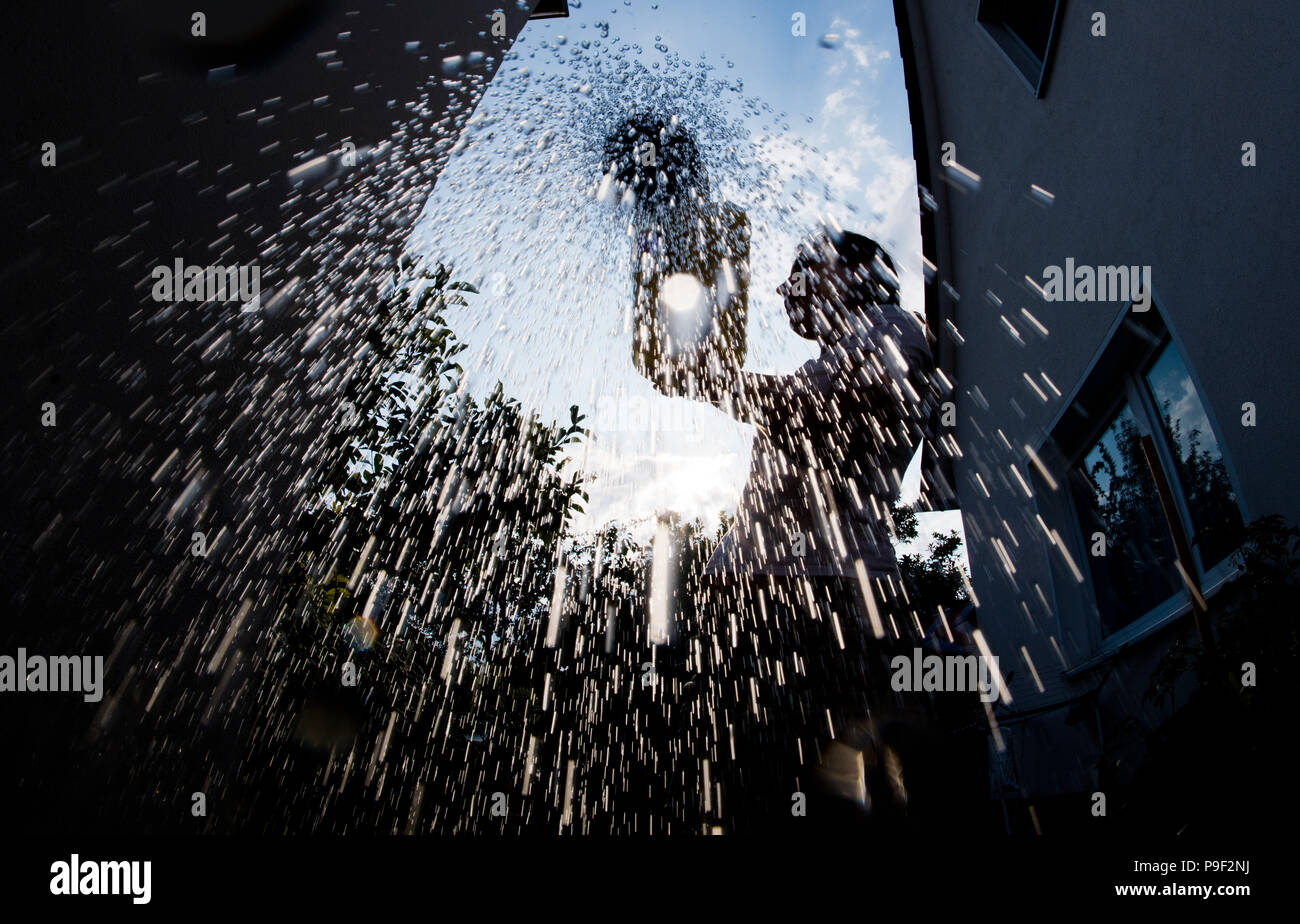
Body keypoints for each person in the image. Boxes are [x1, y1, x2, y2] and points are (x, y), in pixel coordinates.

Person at [652, 228, 940, 830]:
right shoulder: (836, 351)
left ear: (856, 274)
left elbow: (819, 412)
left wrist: (714, 380)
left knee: (823, 794)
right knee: (748, 792)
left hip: (821, 599)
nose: (793, 288)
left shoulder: (895, 328)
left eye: (808, 269)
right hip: (761, 595)